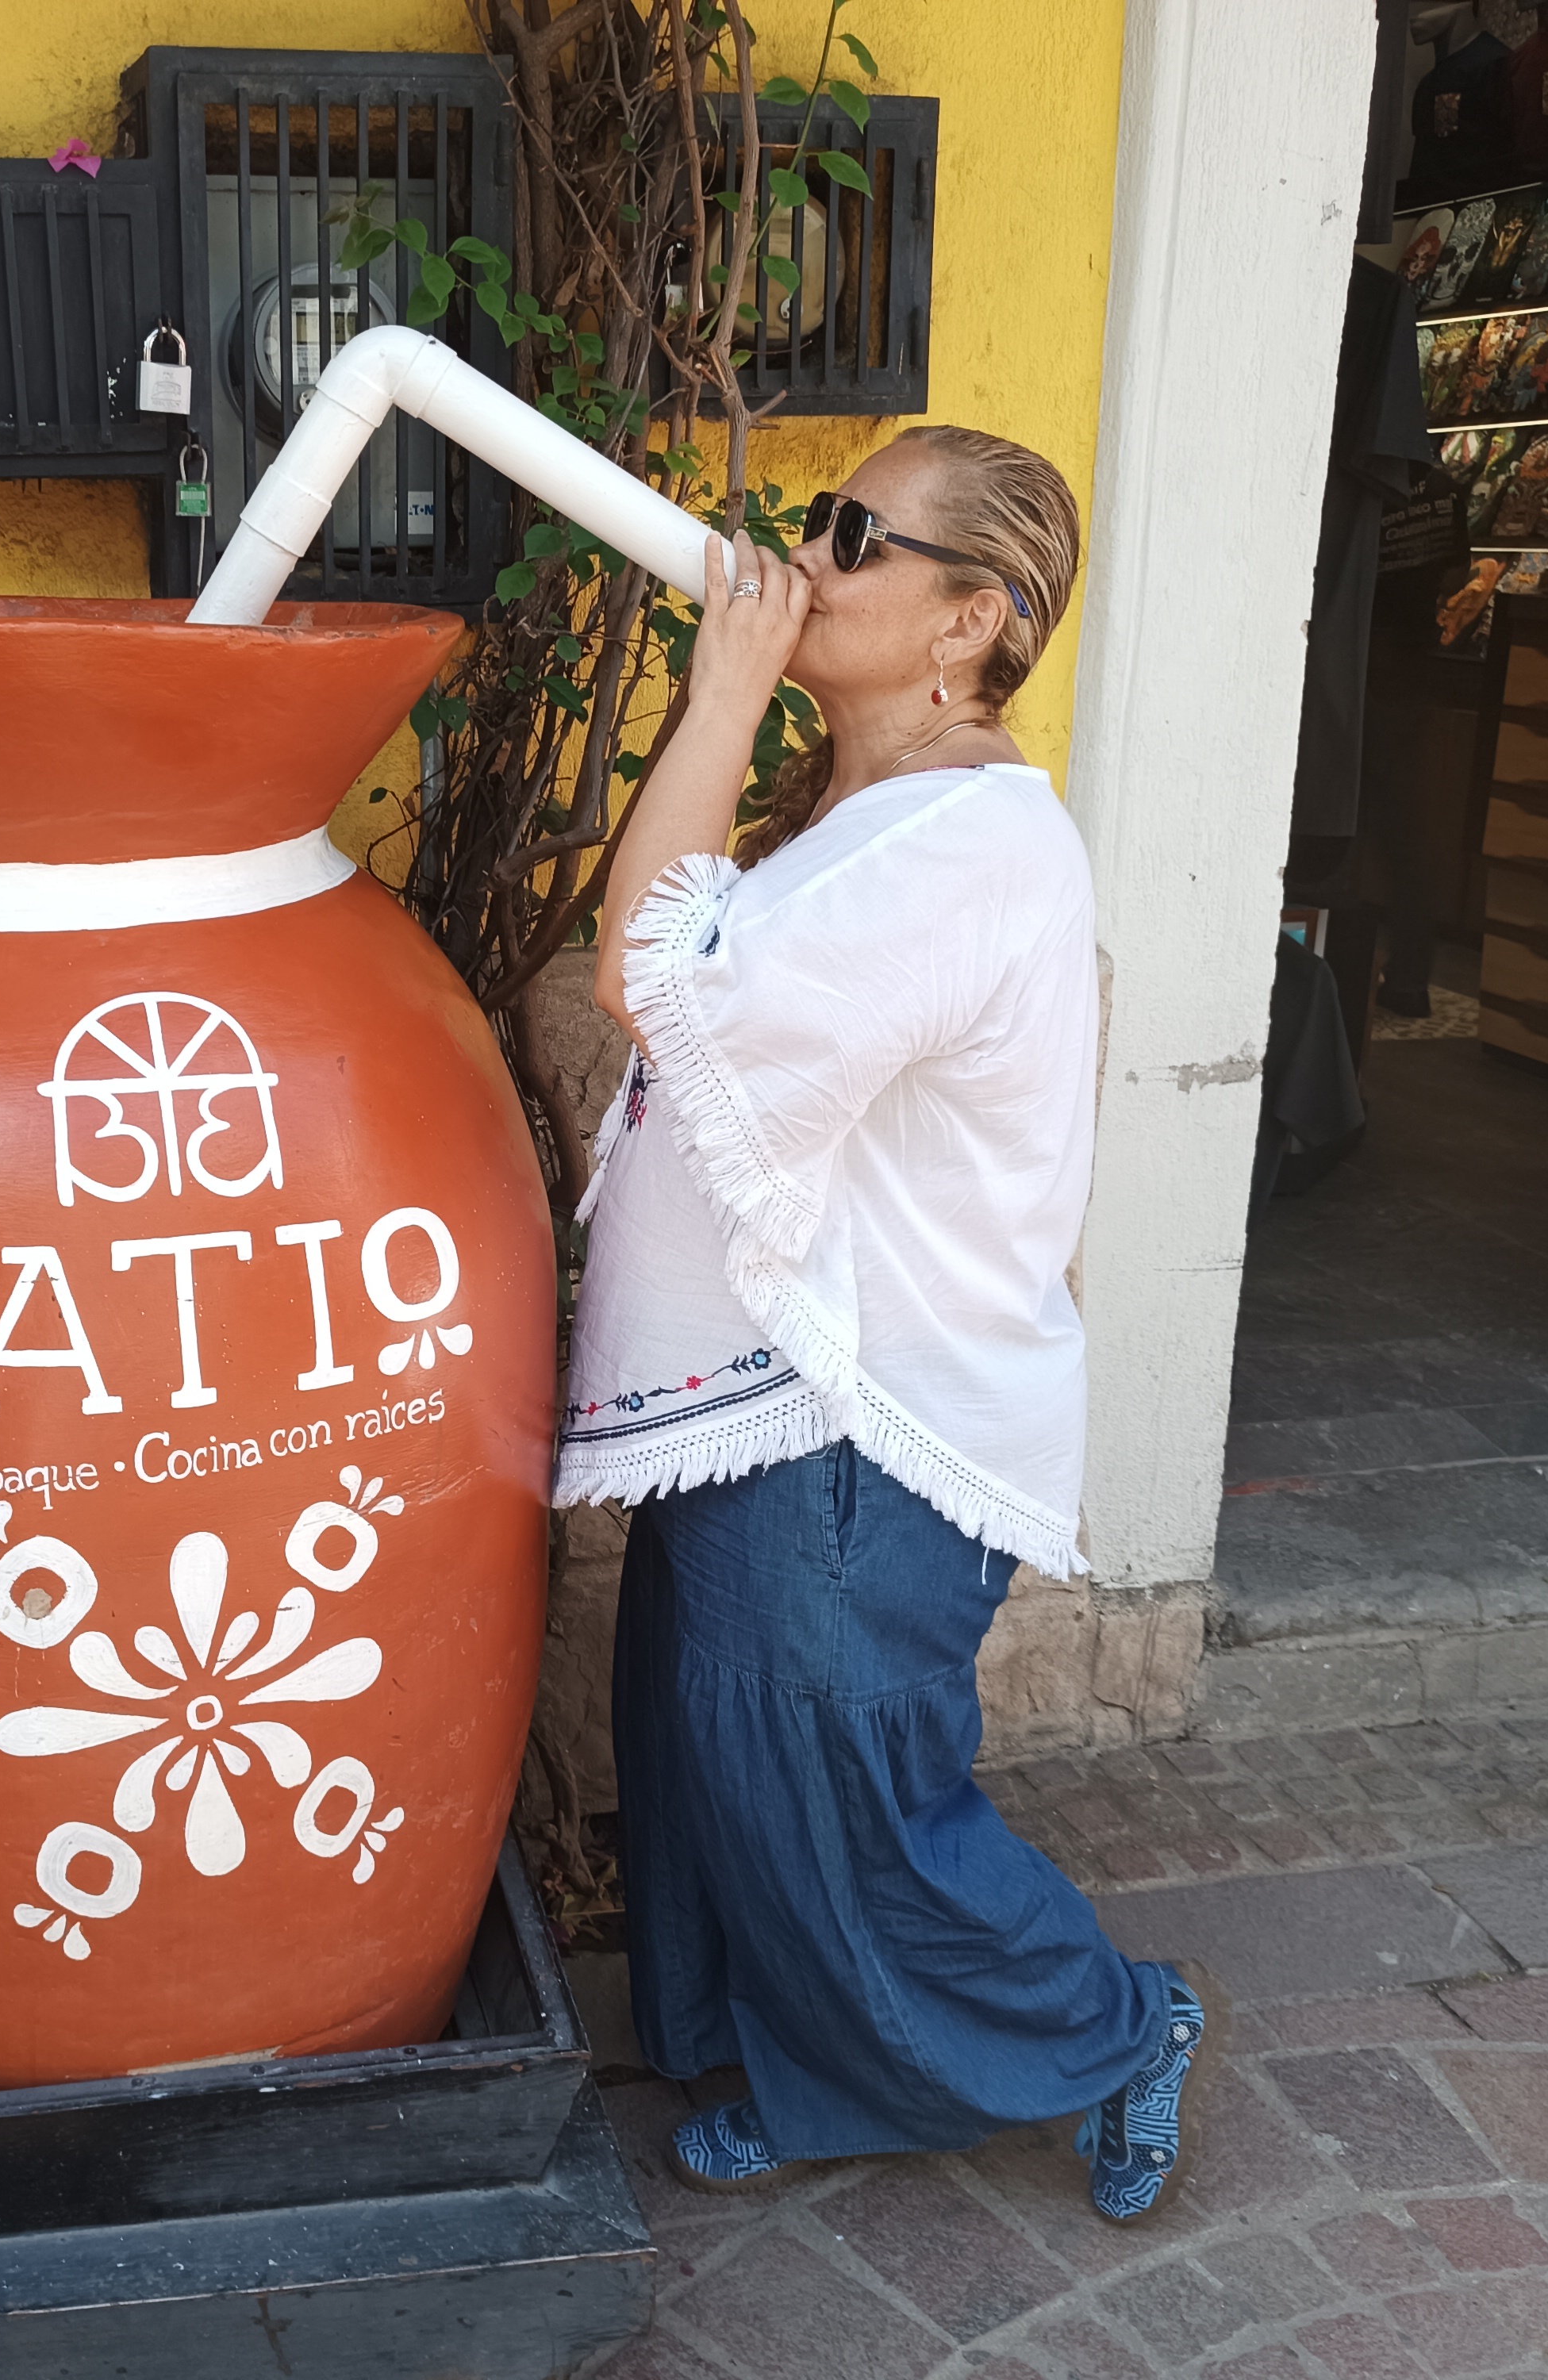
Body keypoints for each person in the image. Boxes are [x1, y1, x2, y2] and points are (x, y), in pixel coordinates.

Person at [559, 424, 1223, 2217]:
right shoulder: (872, 819)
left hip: (865, 1417)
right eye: (814, 522)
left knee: (840, 1787)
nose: (806, 555)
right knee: (733, 1748)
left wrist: (720, 692)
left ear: (972, 619)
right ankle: (796, 2056)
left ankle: (1115, 2019)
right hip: (782, 1385)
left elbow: (641, 976)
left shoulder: (963, 844)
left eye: (854, 534)